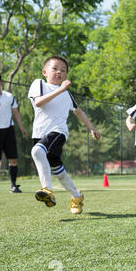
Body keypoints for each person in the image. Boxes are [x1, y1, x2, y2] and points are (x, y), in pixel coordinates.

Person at [28, 55, 101, 214]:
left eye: (63, 70)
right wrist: (60, 90)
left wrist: (91, 128)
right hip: (39, 133)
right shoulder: (39, 83)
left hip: (58, 131)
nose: (59, 72)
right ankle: (77, 196)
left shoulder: (66, 94)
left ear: (66, 75)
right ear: (45, 72)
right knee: (56, 168)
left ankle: (47, 190)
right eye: (55, 69)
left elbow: (78, 111)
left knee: (37, 151)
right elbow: (39, 102)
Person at [0, 73, 28, 194]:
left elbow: (16, 112)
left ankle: (13, 186)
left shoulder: (9, 96)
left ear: (1, 82)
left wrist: (22, 127)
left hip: (9, 130)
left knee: (13, 159)